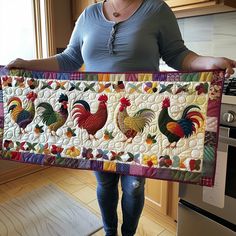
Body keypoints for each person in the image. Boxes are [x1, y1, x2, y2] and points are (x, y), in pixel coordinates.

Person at [7, 0, 236, 235]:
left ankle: (128, 233)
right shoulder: (89, 15)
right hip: (100, 117)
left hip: (137, 119)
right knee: (105, 183)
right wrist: (27, 64)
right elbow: (69, 58)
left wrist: (209, 62)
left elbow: (178, 55)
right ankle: (109, 232)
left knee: (135, 187)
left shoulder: (156, 9)